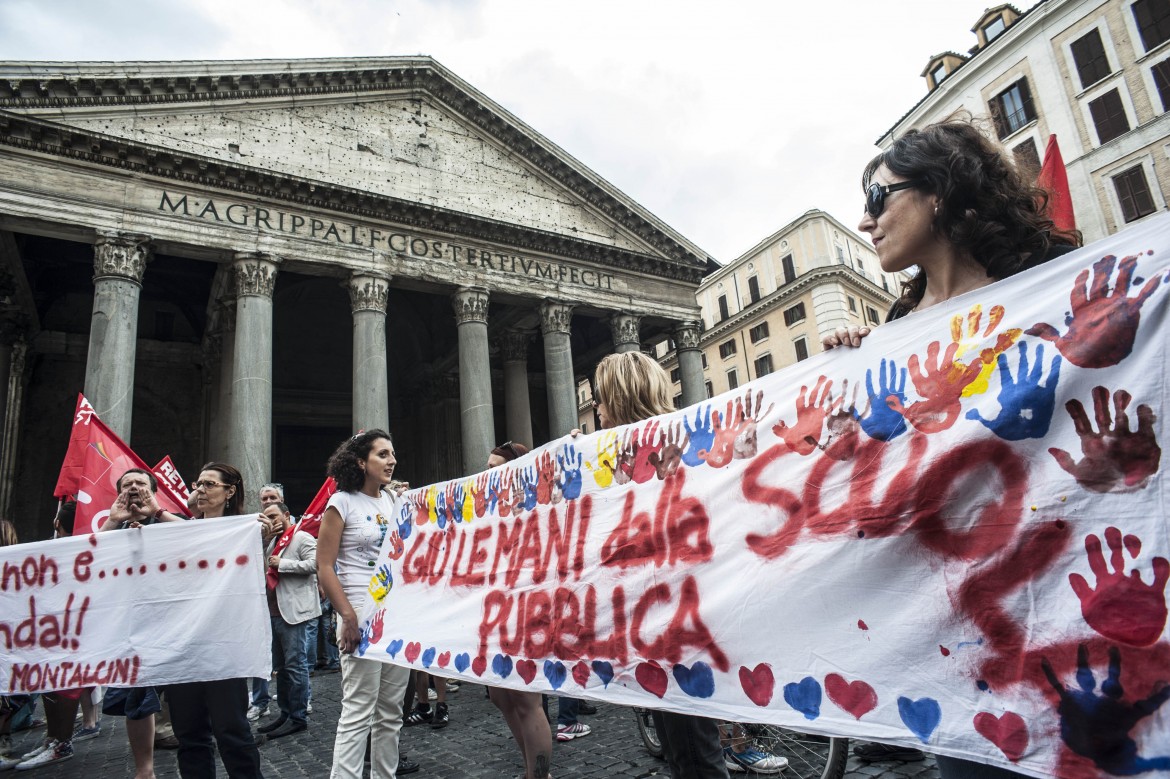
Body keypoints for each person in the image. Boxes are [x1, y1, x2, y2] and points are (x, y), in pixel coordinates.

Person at [824, 118, 1078, 776]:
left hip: (1063, 597)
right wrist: (850, 379)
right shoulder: (893, 331)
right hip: (953, 627)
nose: (865, 219)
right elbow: (876, 465)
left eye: (879, 198)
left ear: (936, 194)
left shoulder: (1047, 288)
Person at [317, 430, 413, 779]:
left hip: (396, 614)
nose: (392, 460)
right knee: (358, 711)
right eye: (383, 454)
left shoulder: (392, 501)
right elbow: (324, 565)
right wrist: (347, 616)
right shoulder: (341, 503)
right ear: (361, 462)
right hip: (358, 610)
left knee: (390, 712)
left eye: (392, 454)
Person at [166, 463, 264, 779]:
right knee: (190, 736)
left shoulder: (245, 529)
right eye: (198, 484)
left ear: (230, 491)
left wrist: (259, 533)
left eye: (209, 484)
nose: (200, 490)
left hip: (225, 646)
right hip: (184, 647)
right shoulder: (179, 530)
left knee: (232, 732)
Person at [98, 468, 180, 779]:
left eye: (140, 483)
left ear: (154, 490)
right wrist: (112, 521)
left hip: (170, 622)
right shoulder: (111, 527)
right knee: (137, 697)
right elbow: (82, 557)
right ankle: (144, 770)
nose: (134, 487)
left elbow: (195, 536)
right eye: (127, 484)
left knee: (181, 692)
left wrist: (157, 512)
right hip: (128, 626)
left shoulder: (166, 522)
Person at [482, 441, 557, 779]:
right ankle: (530, 769)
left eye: (495, 467)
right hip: (497, 609)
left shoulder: (535, 502)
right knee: (500, 695)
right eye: (486, 468)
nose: (488, 474)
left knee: (527, 700)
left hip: (528, 606)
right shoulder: (491, 506)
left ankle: (540, 776)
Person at [255, 501, 319, 740]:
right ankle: (285, 713)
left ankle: (298, 717)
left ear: (286, 514)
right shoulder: (272, 541)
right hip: (273, 611)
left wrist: (284, 564)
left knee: (295, 666)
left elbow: (316, 564)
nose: (271, 521)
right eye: (267, 517)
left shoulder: (301, 538)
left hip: (293, 612)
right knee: (280, 669)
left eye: (274, 516)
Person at [249, 482, 286, 721]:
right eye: (264, 498)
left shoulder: (294, 531)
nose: (268, 501)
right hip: (258, 600)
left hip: (283, 604)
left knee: (289, 660)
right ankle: (261, 701)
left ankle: (293, 703)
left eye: (273, 498)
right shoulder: (253, 528)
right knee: (260, 655)